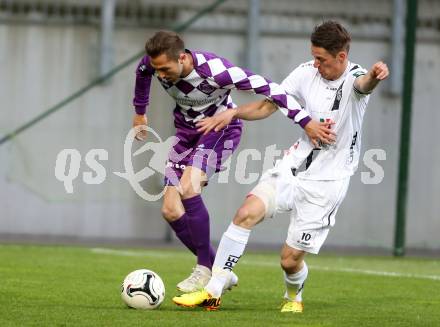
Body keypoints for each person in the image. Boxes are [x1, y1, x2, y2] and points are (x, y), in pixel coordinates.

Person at [172, 21, 389, 311]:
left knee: (289, 261)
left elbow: (365, 86)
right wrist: (233, 112)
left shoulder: (355, 78)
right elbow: (268, 105)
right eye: (313, 56)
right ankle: (212, 290)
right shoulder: (305, 72)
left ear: (341, 57)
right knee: (245, 213)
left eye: (322, 59)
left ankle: (293, 295)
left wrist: (375, 76)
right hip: (292, 166)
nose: (316, 64)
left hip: (327, 183)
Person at [132, 30, 334, 293]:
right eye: (156, 68)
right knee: (170, 209)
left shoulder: (217, 71)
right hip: (184, 134)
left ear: (182, 58)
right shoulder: (154, 64)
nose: (160, 74)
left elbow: (273, 89)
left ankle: (205, 269)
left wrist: (306, 122)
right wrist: (140, 113)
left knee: (189, 186)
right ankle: (219, 269)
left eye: (165, 68)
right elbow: (142, 73)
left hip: (219, 131)